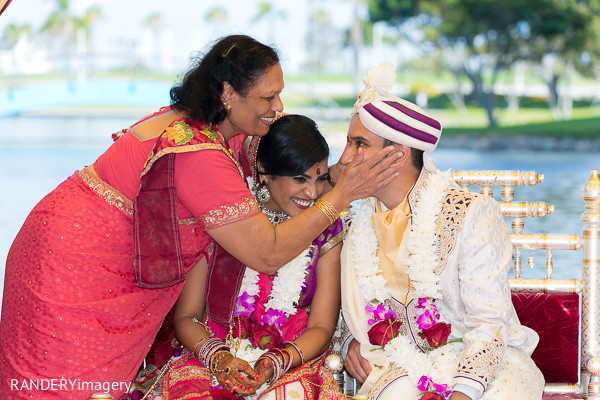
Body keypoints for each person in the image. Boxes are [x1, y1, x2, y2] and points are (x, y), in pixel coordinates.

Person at [0, 36, 401, 400]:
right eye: (268, 98)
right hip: (75, 270)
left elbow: (282, 160)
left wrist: (335, 175)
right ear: (229, 93)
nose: (278, 108)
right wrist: (343, 195)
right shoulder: (199, 153)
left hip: (70, 245)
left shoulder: (208, 126)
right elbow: (267, 253)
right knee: (58, 385)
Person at [334, 63, 545, 400]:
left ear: (397, 155)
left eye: (359, 144)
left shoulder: (469, 213)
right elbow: (342, 310)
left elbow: (489, 325)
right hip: (397, 366)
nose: (345, 158)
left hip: (486, 367)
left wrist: (462, 393)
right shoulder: (350, 218)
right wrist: (348, 342)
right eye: (347, 143)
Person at [133, 114, 345, 400]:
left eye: (319, 179)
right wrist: (219, 359)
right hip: (213, 351)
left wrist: (277, 362)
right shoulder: (228, 218)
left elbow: (321, 326)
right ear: (264, 171)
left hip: (291, 358)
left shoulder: (325, 228)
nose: (312, 192)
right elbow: (187, 316)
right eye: (299, 179)